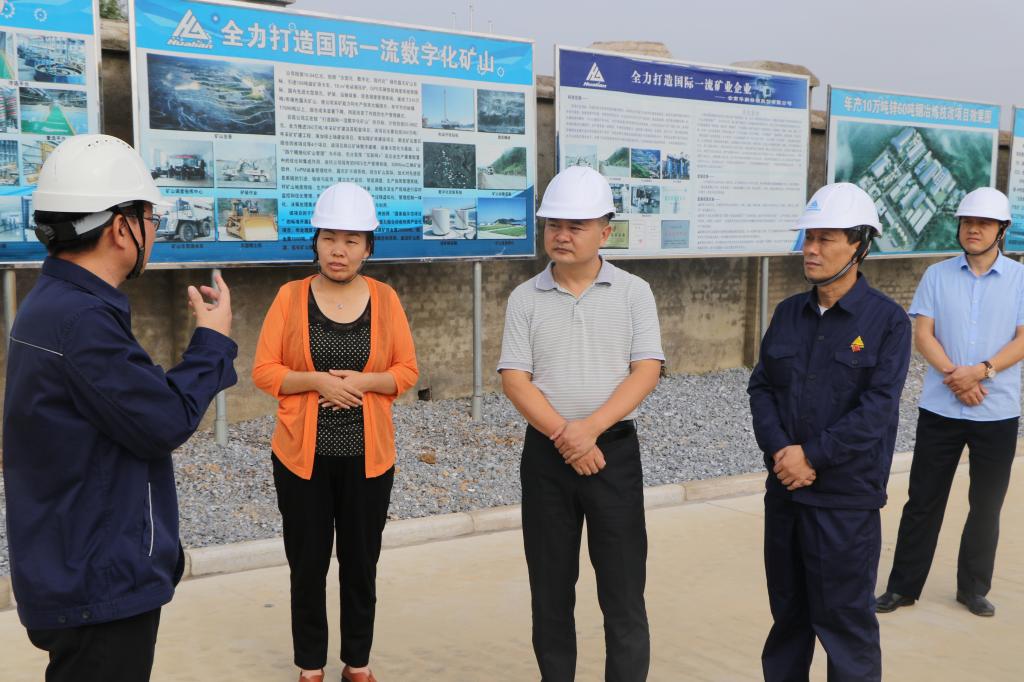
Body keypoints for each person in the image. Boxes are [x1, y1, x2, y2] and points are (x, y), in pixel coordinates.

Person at [2, 133, 237, 681]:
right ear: (119, 228)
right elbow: (163, 420)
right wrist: (213, 340)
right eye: (149, 217)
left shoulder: (53, 303)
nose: (154, 229)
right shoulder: (81, 321)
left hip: (74, 563)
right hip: (99, 582)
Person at [498, 165, 664, 681]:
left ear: (605, 232)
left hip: (614, 454)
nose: (562, 235)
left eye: (576, 226)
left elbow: (646, 370)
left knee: (623, 591)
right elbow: (515, 379)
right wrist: (566, 436)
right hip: (547, 458)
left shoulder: (634, 292)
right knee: (550, 590)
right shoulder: (525, 298)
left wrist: (589, 429)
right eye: (554, 225)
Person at [252, 182, 418, 682]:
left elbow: (406, 371)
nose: (338, 250)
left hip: (369, 458)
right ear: (316, 242)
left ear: (368, 247)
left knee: (360, 563)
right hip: (301, 459)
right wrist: (316, 380)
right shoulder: (290, 297)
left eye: (351, 240)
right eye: (329, 238)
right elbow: (264, 370)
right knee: (307, 565)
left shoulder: (386, 299)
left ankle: (356, 663)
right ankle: (310, 666)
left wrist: (365, 382)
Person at [748, 182, 911, 681]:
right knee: (788, 620)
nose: (811, 249)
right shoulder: (788, 314)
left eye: (825, 239)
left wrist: (811, 456)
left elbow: (876, 410)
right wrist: (782, 451)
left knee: (845, 627)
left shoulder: (887, 322)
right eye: (808, 237)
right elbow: (762, 388)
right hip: (787, 494)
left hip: (844, 502)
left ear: (859, 245)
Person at [877, 187, 1024, 618]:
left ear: (1001, 230)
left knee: (986, 504)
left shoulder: (1019, 279)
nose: (973, 229)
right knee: (923, 499)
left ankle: (973, 588)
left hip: (997, 411)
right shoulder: (937, 275)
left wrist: (981, 371)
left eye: (983, 223)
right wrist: (956, 377)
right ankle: (902, 587)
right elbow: (923, 334)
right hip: (941, 409)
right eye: (967, 222)